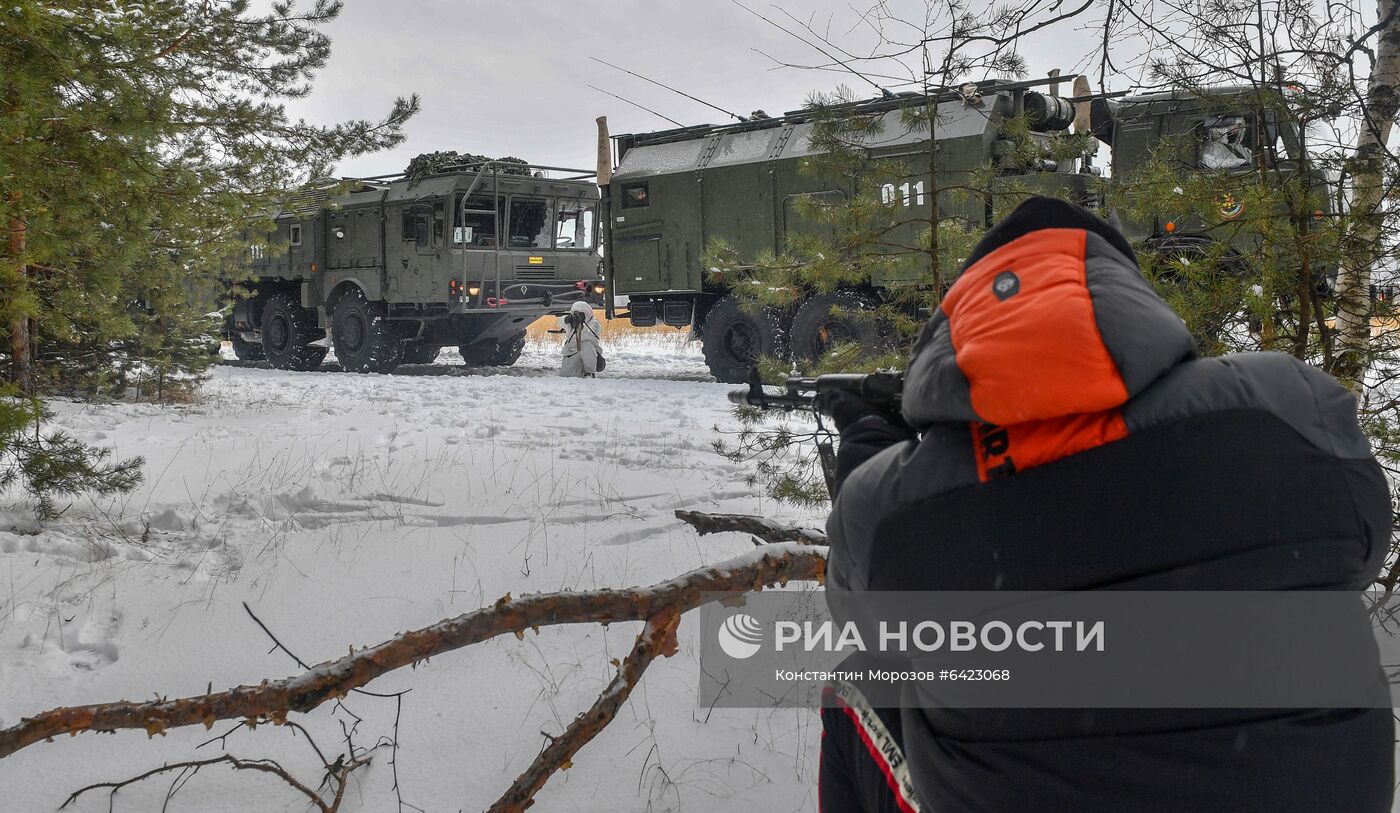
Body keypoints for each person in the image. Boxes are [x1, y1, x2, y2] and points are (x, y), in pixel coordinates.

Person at [816, 196, 1392, 812]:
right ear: (1128, 295)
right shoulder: (1286, 403)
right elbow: (1364, 546)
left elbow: (869, 613)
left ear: (963, 321)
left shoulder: (888, 505)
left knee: (863, 681)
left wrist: (879, 454)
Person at [558, 300, 602, 377]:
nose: (577, 316)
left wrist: (581, 326)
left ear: (586, 314)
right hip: (573, 352)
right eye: (575, 314)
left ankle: (589, 373)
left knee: (586, 345)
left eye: (580, 314)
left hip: (588, 353)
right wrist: (567, 320)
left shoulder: (594, 324)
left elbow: (589, 336)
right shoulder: (572, 323)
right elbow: (560, 321)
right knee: (566, 374)